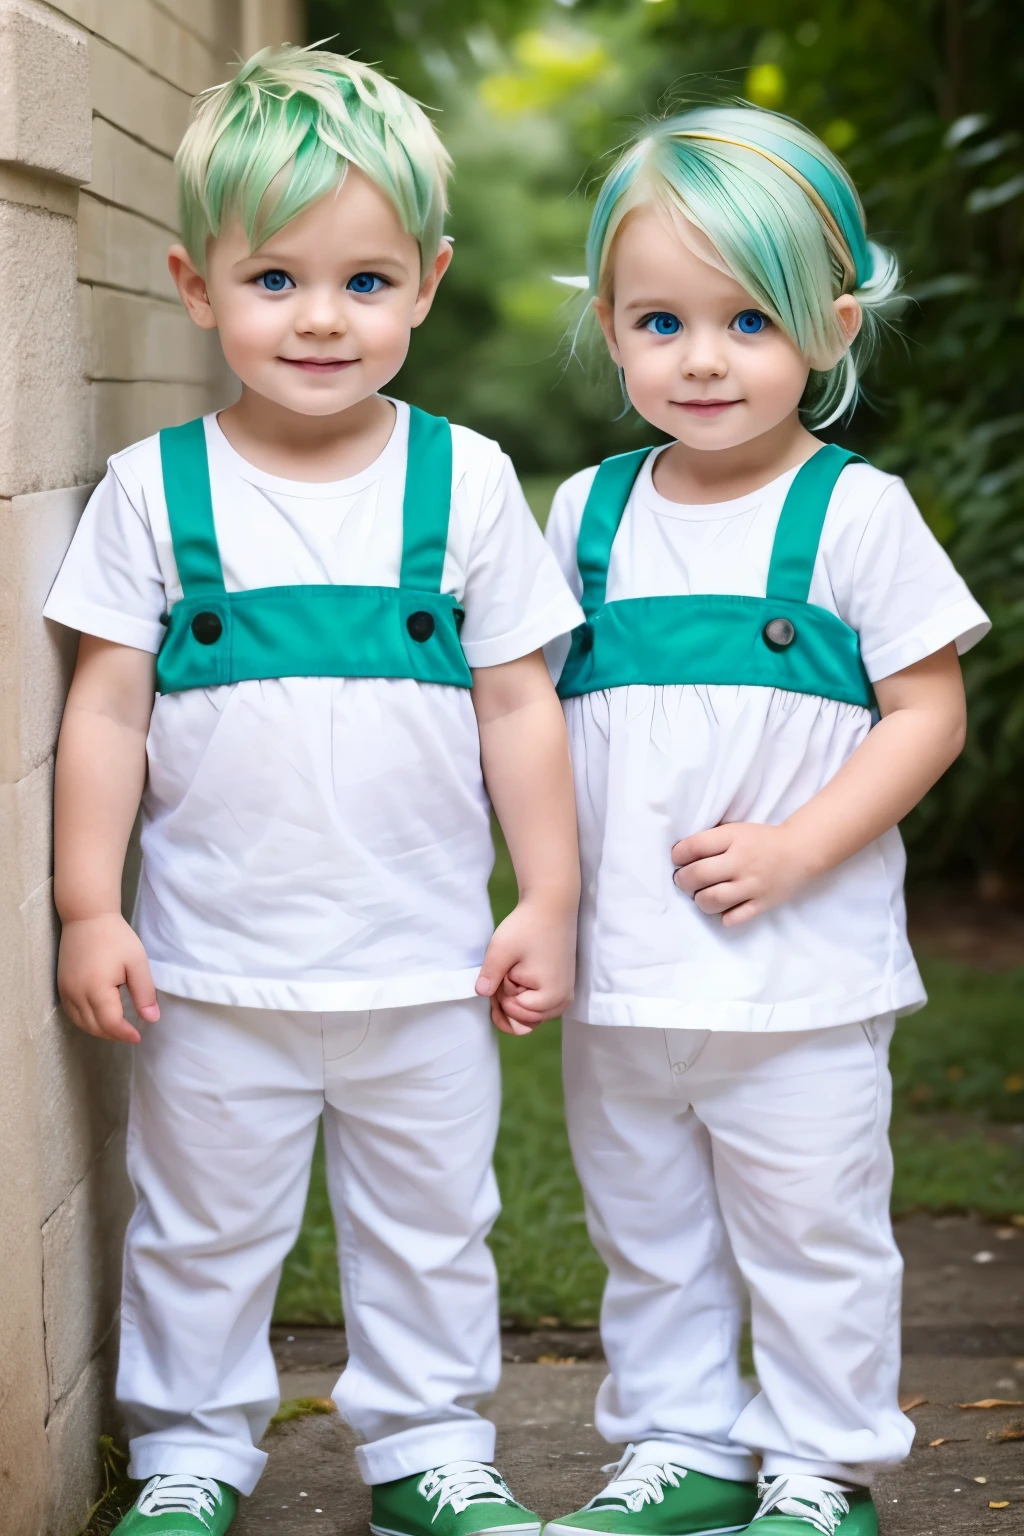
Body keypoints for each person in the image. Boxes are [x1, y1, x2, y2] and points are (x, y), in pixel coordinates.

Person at [46, 45, 582, 1536]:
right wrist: (92, 906)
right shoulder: (161, 490)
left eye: (365, 280)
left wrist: (548, 892)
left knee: (429, 1225)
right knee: (205, 1227)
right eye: (275, 279)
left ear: (427, 283)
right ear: (195, 284)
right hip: (213, 968)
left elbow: (521, 700)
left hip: (419, 966)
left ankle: (429, 1444)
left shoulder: (463, 482)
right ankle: (189, 1451)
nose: (322, 319)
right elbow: (104, 704)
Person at [542, 105, 989, 1536]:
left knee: (813, 1234)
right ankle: (680, 1446)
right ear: (611, 327)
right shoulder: (588, 520)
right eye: (661, 318)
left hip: (798, 981)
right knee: (649, 1233)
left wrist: (800, 846)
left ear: (834, 325)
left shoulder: (854, 514)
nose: (703, 356)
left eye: (748, 319)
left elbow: (929, 713)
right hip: (627, 978)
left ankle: (817, 1462)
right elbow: (532, 723)